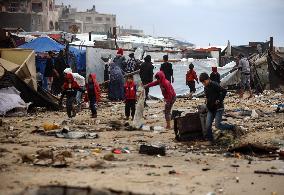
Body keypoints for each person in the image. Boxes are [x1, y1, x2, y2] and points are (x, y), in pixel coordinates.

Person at [199, 72, 235, 141]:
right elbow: (208, 96)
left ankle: (232, 127)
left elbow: (224, 91)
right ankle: (210, 140)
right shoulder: (205, 88)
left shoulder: (215, 84)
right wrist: (206, 101)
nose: (204, 83)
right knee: (207, 125)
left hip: (218, 108)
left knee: (217, 125)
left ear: (208, 79)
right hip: (210, 109)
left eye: (204, 81)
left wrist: (219, 100)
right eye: (202, 82)